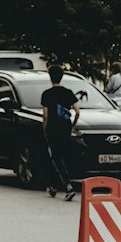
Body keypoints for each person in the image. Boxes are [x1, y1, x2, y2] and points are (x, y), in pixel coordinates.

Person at [41, 64, 80, 198]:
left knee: (54, 157)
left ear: (50, 77)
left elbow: (45, 115)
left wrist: (44, 129)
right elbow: (77, 111)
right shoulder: (68, 92)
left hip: (52, 129)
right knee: (60, 157)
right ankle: (53, 185)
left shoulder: (46, 94)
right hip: (65, 129)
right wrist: (72, 125)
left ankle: (68, 186)